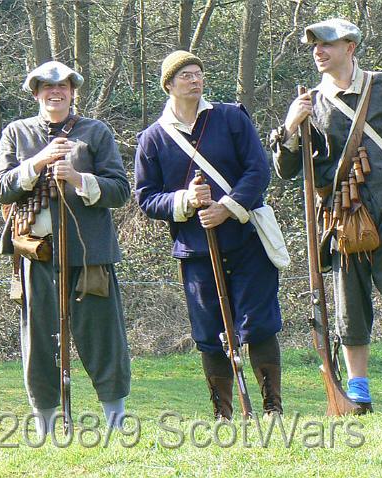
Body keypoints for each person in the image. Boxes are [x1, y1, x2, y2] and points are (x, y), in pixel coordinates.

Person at [271, 19, 382, 415]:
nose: (318, 51)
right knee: (350, 309)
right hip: (341, 216)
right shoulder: (310, 102)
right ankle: (359, 395)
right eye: (314, 45)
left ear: (350, 46)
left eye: (327, 44)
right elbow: (287, 171)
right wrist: (290, 128)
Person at [135, 51, 283, 420]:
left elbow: (257, 169)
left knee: (258, 323)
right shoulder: (152, 139)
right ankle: (223, 413)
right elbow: (146, 198)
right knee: (209, 332)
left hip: (247, 240)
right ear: (169, 84)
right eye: (186, 75)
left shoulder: (231, 117)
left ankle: (272, 408)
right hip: (195, 248)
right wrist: (186, 200)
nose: (195, 80)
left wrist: (228, 206)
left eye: (199, 73)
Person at [0, 61, 131, 435]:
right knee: (39, 342)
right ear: (36, 92)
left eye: (63, 86)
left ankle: (116, 425)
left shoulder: (95, 132)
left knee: (104, 339)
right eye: (47, 87)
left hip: (90, 258)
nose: (56, 92)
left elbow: (120, 190)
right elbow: (0, 187)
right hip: (35, 257)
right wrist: (36, 163)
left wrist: (79, 178)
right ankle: (46, 430)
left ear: (72, 92)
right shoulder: (16, 133)